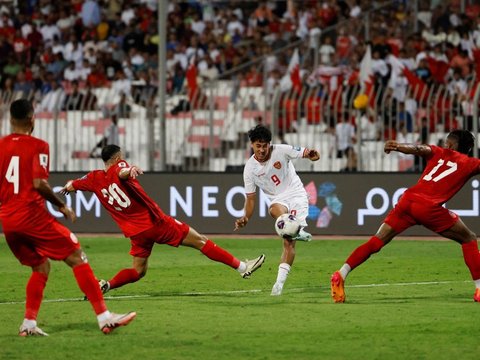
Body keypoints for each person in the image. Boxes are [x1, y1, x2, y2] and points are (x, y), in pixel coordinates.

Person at [0, 99, 136, 336]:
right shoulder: (38, 145)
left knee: (40, 266)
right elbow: (39, 184)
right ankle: (105, 318)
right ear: (32, 120)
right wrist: (62, 206)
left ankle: (28, 325)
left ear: (10, 119)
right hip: (31, 216)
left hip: (8, 220)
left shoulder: (1, 145)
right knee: (77, 256)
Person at [60, 145, 265, 295]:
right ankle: (242, 267)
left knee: (138, 271)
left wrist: (67, 188)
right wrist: (128, 170)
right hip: (154, 223)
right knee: (200, 240)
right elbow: (121, 172)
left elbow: (72, 185)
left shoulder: (94, 178)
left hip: (135, 233)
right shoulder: (119, 166)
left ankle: (106, 285)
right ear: (118, 157)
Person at [331, 130, 480, 303]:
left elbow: (418, 149)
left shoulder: (437, 151)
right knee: (468, 238)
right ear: (468, 149)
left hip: (407, 200)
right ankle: (479, 289)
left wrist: (399, 147)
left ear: (449, 144)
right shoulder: (470, 163)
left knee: (377, 241)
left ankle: (341, 274)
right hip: (429, 207)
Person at [234, 125, 320, 296]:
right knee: (273, 210)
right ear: (252, 145)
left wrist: (312, 155)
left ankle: (278, 284)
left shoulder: (281, 151)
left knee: (288, 242)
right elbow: (251, 198)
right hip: (278, 200)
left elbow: (305, 152)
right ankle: (296, 230)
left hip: (296, 195)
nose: (262, 149)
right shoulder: (250, 169)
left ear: (269, 144)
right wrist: (246, 218)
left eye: (265, 145)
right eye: (258, 146)